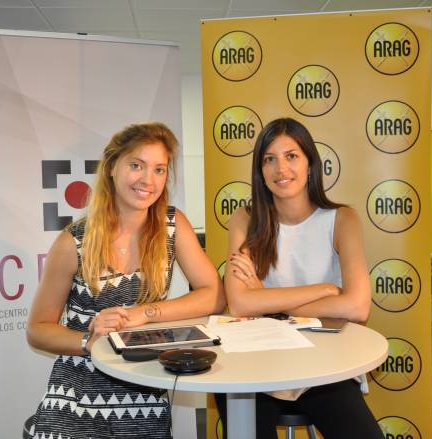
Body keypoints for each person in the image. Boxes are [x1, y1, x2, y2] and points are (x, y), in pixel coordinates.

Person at [24, 122, 225, 439]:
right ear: (111, 167)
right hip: (78, 399)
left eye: (159, 169)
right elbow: (37, 330)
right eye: (136, 165)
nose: (148, 180)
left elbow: (214, 295)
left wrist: (145, 313)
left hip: (145, 394)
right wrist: (88, 342)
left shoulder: (172, 225)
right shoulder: (73, 242)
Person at [218, 117, 383, 439]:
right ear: (260, 171)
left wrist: (266, 301)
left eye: (291, 156)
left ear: (310, 164)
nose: (281, 168)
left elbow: (357, 307)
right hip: (258, 360)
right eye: (269, 159)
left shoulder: (342, 219)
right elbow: (239, 304)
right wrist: (326, 291)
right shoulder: (245, 219)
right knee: (239, 417)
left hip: (325, 362)